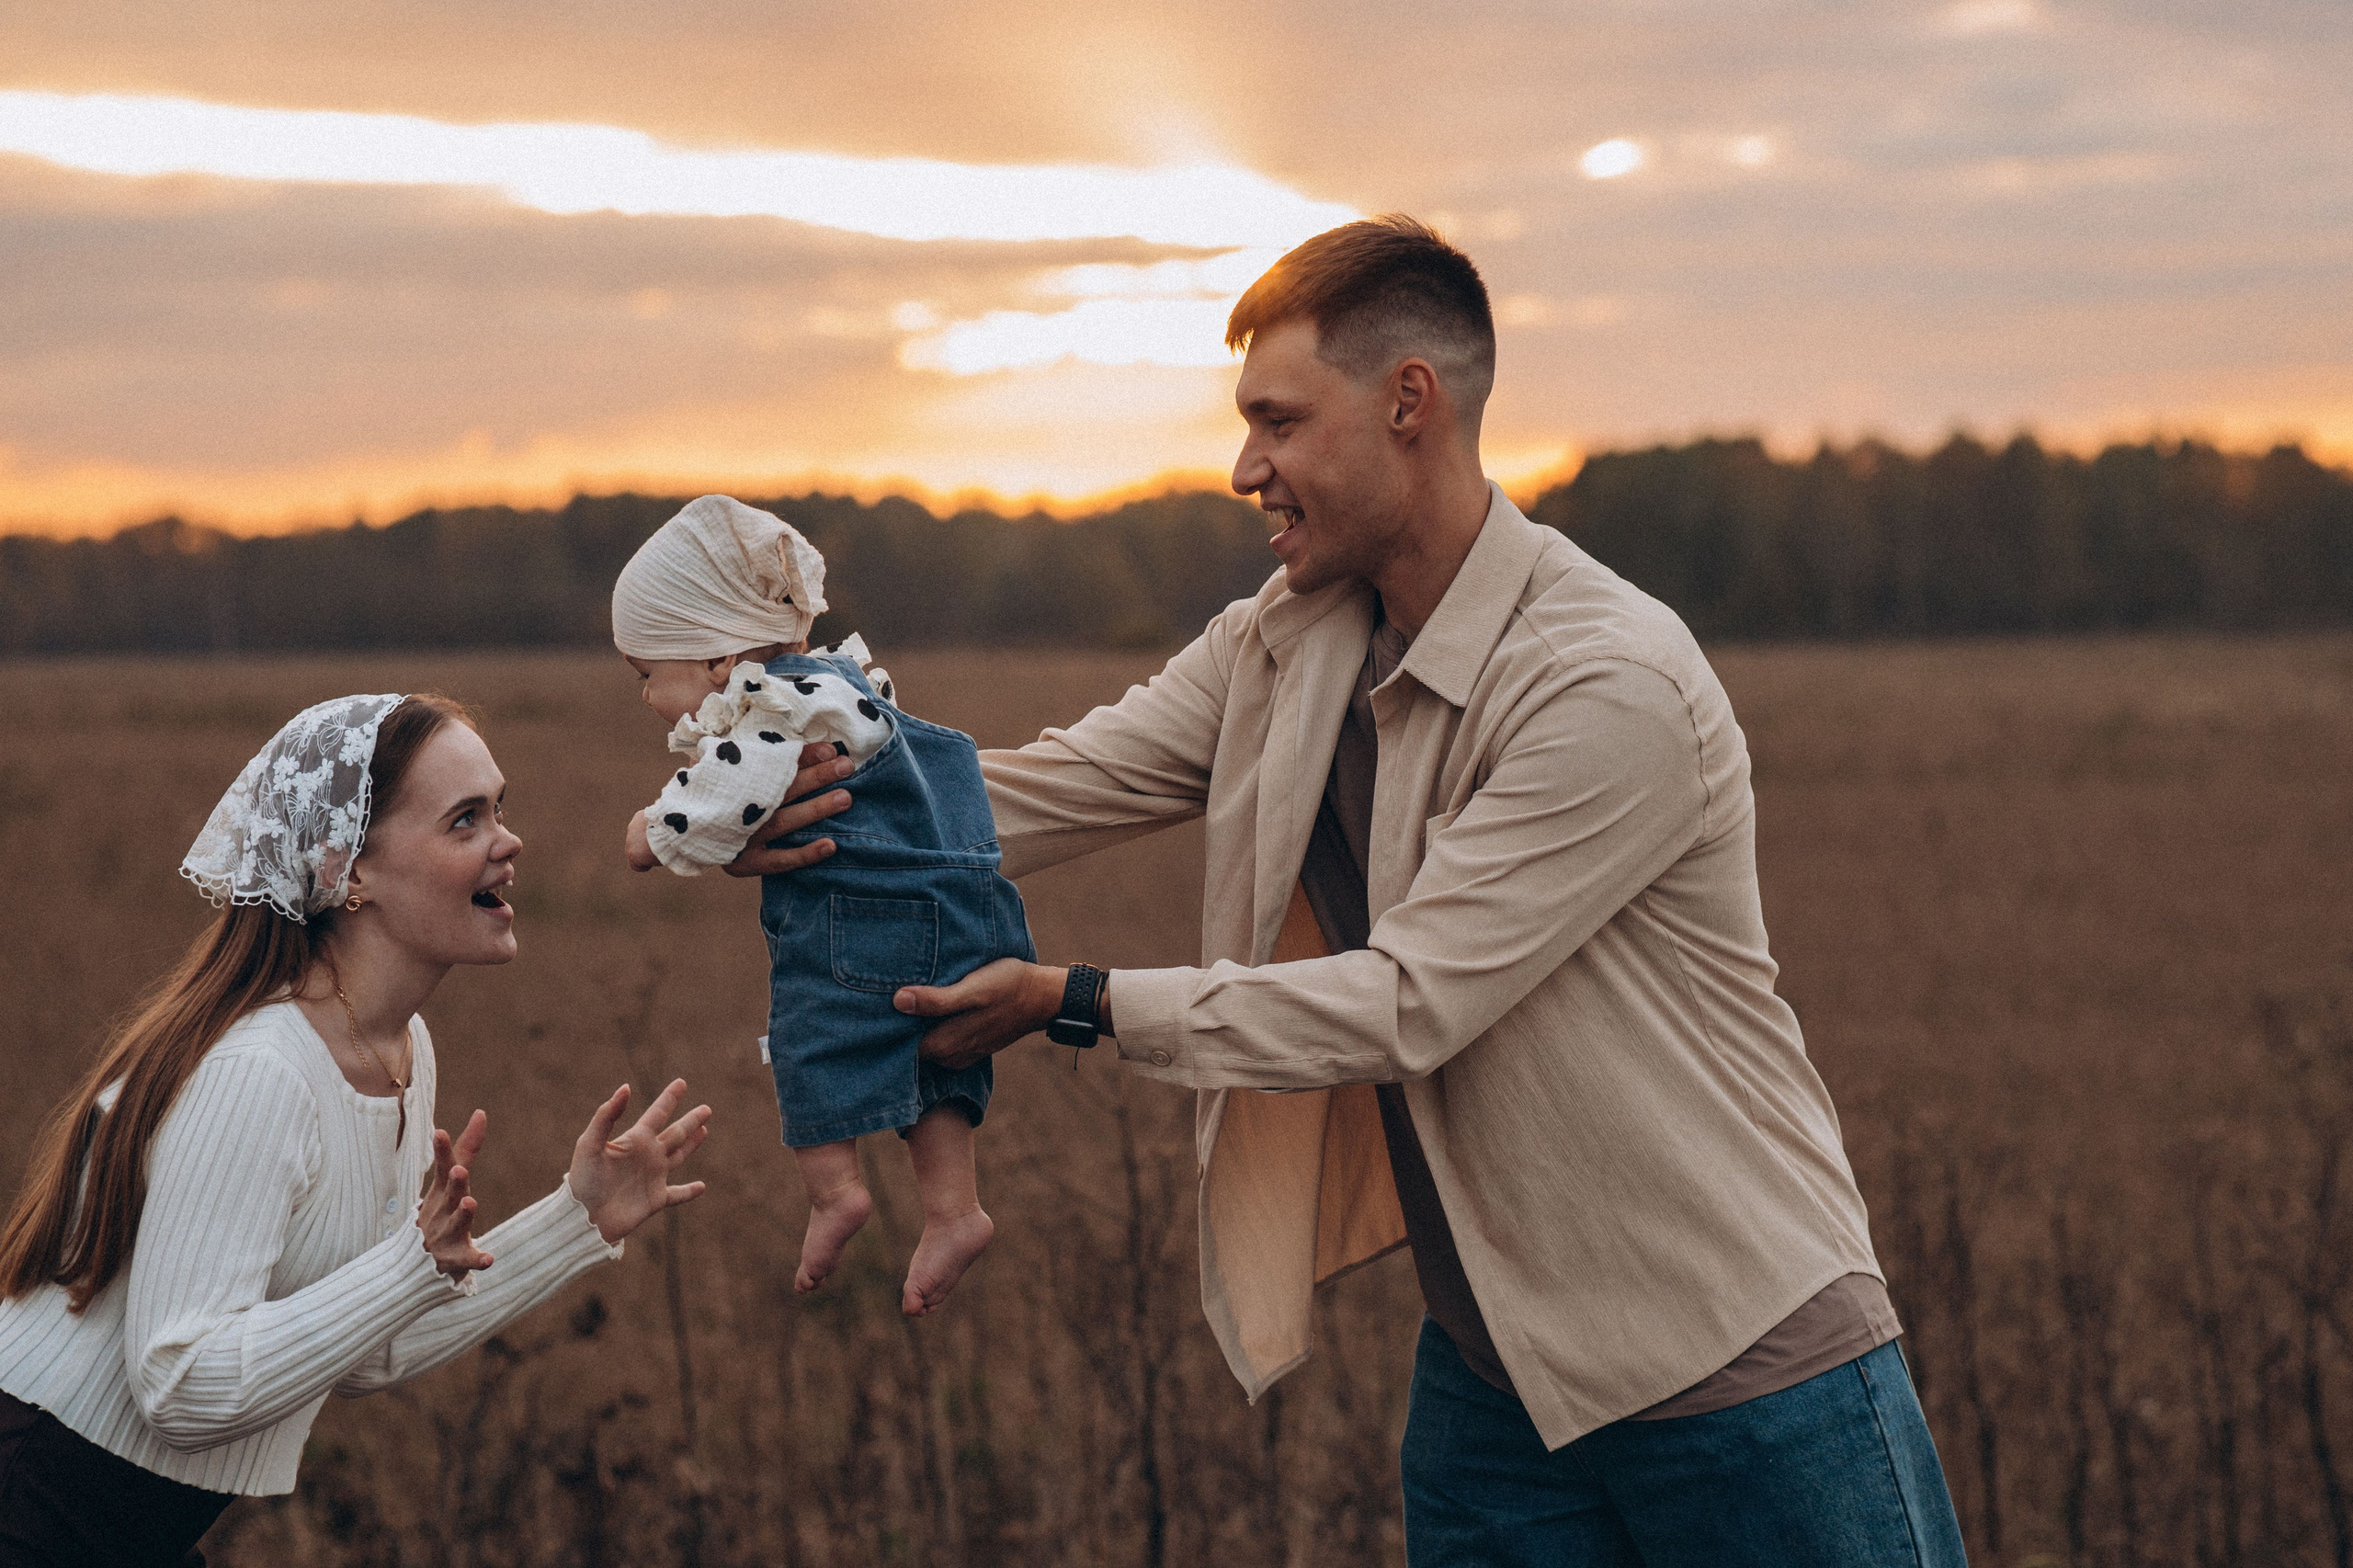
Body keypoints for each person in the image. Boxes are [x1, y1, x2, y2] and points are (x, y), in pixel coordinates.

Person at [735, 217, 1970, 1564]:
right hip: (1500, 1381)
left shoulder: (1606, 680)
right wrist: (803, 805)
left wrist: (1074, 1000)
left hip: (1744, 1371)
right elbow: (1047, 791)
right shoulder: (1286, 635)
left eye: (1277, 420)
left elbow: (1409, 1002)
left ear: (1407, 405)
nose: (1243, 466)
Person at [0, 693, 710, 1566]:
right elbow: (178, 1385)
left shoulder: (399, 1047)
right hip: (35, 1496)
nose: (508, 840)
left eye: (500, 808)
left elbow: (374, 1347)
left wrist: (577, 1219)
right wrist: (411, 1263)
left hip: (122, 1526)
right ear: (348, 872)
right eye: (464, 820)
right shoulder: (262, 1072)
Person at [612, 494, 1028, 1316]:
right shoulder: (845, 680)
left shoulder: (770, 707)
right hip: (962, 904)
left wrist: (643, 833)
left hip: (865, 928)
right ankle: (954, 1209)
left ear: (720, 662)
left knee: (807, 1042)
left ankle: (835, 1193)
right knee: (934, 1055)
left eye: (648, 675)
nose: (647, 699)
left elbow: (716, 805)